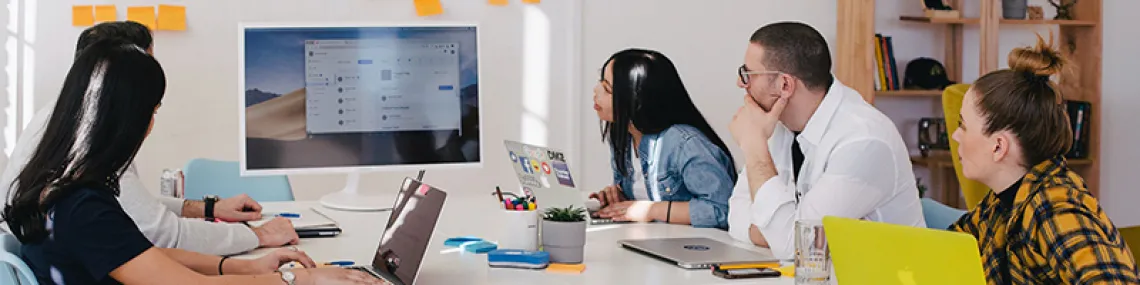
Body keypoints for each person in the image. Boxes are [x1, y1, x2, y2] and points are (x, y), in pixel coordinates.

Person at [1, 38, 383, 285]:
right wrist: (299, 280)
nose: (152, 124)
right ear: (127, 119)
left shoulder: (58, 187)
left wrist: (245, 266)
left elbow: (138, 255)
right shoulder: (83, 207)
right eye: (153, 110)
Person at [0, 21, 297, 255]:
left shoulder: (59, 119)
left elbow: (127, 207)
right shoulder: (91, 139)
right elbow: (162, 235)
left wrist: (208, 209)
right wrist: (258, 236)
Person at [725, 22, 925, 258]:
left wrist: (755, 148)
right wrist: (777, 234)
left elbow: (796, 246)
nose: (741, 83)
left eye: (748, 74)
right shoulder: (778, 123)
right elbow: (736, 214)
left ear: (785, 85)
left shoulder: (864, 140)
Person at [949, 35, 1137, 284]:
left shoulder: (1053, 206)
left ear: (998, 146)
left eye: (963, 125)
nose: (955, 135)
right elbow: (949, 248)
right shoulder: (1000, 205)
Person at [588, 49, 736, 229]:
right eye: (600, 83)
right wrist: (620, 198)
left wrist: (652, 210)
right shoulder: (623, 136)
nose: (596, 91)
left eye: (607, 89)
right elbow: (644, 197)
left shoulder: (685, 143)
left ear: (637, 100)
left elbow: (722, 210)